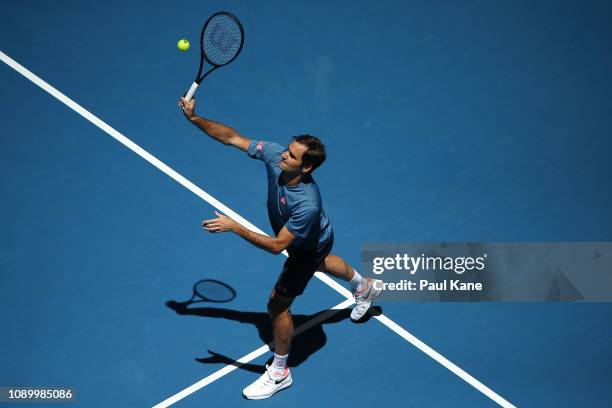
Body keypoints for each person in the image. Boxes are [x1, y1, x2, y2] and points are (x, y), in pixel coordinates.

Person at [179, 96, 382, 400]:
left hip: (304, 247)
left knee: (277, 306)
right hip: (320, 239)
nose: (283, 157)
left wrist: (235, 227)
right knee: (323, 261)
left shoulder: (306, 204)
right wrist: (195, 118)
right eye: (288, 151)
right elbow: (233, 138)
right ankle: (364, 286)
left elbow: (276, 247)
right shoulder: (276, 155)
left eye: (292, 156)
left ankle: (280, 372)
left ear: (308, 167)